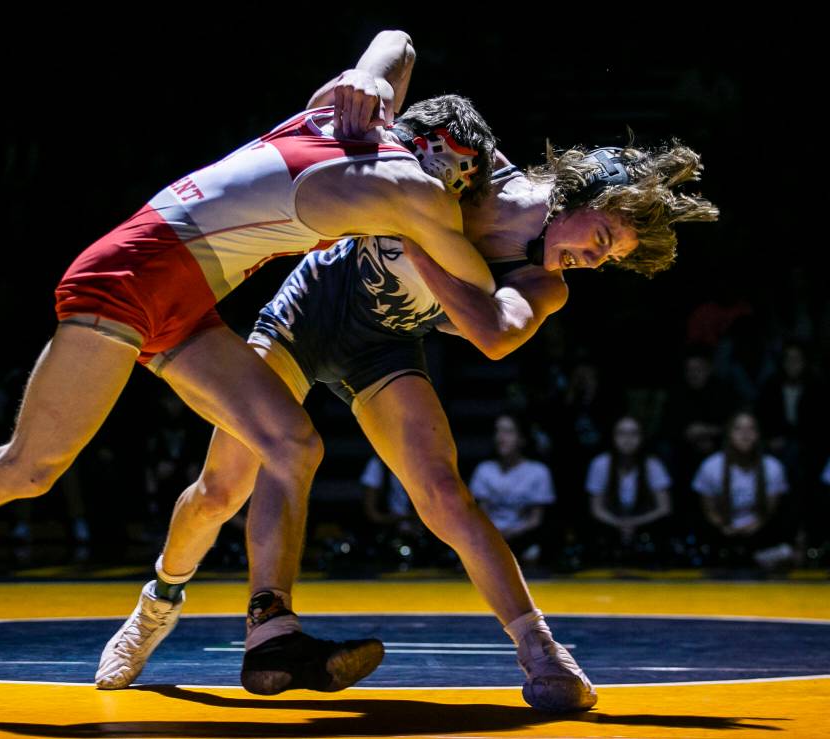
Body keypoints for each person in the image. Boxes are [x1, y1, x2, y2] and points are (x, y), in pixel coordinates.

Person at [0, 30, 499, 698]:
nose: (459, 198)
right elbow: (481, 293)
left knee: (292, 444)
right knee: (32, 466)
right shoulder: (411, 186)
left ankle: (273, 635)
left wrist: (370, 76)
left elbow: (398, 42)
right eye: (463, 184)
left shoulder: (341, 117)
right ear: (439, 160)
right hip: (127, 277)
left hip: (186, 298)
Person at [93, 33, 718, 711]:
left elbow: (493, 334)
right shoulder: (469, 159)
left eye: (612, 260)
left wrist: (416, 234)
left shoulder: (545, 282)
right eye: (601, 240)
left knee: (443, 490)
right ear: (582, 192)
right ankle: (160, 598)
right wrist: (371, 82)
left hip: (385, 340)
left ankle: (540, 647)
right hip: (314, 302)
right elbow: (399, 41)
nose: (596, 261)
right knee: (221, 488)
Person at [691, 411, 794, 567]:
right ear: (729, 434)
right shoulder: (711, 466)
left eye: (751, 429)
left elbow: (771, 510)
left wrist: (752, 527)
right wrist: (724, 527)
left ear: (758, 435)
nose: (745, 434)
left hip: (759, 533)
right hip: (722, 533)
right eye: (738, 429)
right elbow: (709, 509)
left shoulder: (772, 467)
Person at [469, 414, 555, 563]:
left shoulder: (538, 471)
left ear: (522, 439)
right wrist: (496, 534)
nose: (501, 437)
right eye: (498, 431)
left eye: (508, 432)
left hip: (523, 537)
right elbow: (482, 514)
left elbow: (536, 519)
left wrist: (512, 533)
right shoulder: (484, 470)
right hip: (489, 537)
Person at [585, 416, 673, 563]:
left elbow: (665, 508)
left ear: (642, 437)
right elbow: (595, 508)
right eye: (622, 433)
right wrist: (619, 523)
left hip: (645, 527)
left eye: (634, 433)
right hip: (610, 527)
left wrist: (634, 522)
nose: (627, 439)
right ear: (612, 437)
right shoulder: (600, 464)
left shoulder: (653, 464)